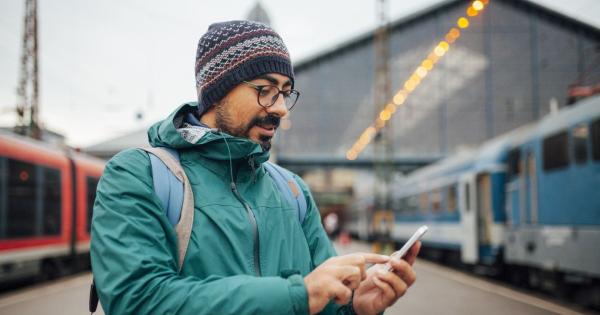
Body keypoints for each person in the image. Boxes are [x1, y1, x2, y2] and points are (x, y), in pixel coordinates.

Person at [90, 20, 421, 315]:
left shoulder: (292, 191)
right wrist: (297, 296)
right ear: (217, 90)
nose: (280, 109)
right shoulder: (138, 175)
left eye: (286, 93)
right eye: (265, 90)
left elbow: (325, 301)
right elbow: (137, 300)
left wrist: (355, 306)